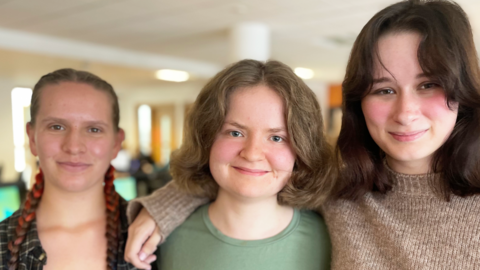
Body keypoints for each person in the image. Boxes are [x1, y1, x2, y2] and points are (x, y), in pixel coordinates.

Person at [125, 0, 480, 269]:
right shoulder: (343, 192)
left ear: (462, 91)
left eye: (429, 85)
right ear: (359, 100)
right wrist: (163, 208)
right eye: (384, 89)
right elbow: (249, 179)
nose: (405, 112)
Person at [139, 59, 332, 270]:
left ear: (302, 150)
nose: (251, 154)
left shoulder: (333, 241)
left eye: (277, 138)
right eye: (235, 133)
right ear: (206, 139)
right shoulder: (157, 240)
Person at [0, 69, 139, 270]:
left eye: (94, 129)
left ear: (116, 143)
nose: (74, 147)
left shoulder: (156, 238)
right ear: (32, 138)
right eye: (56, 127)